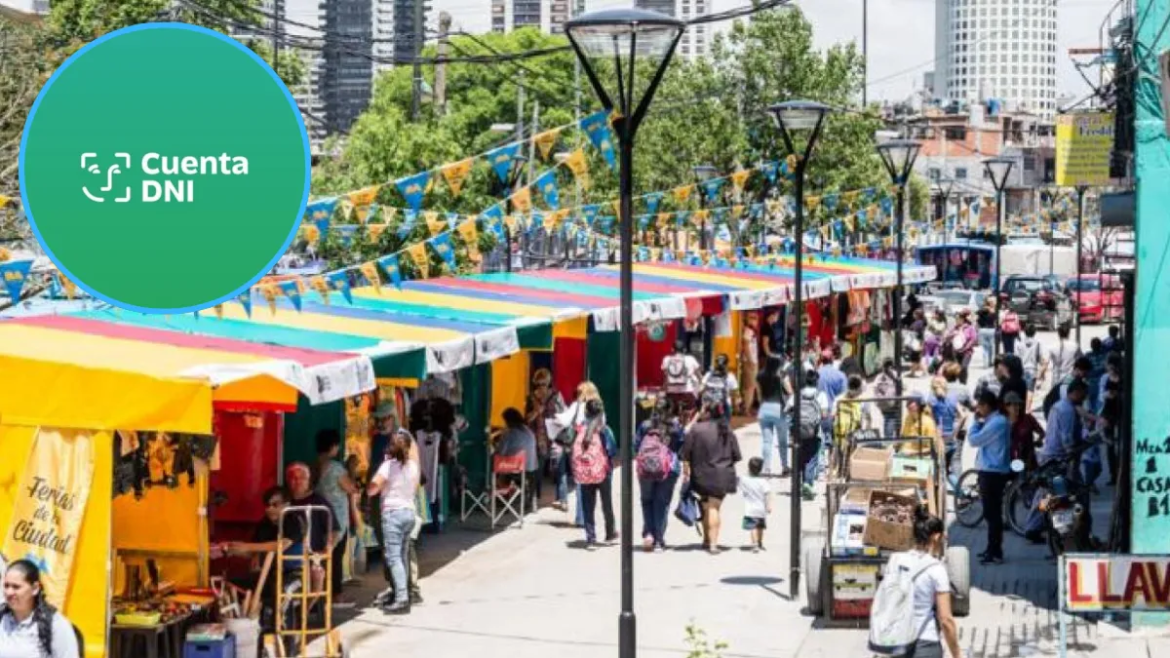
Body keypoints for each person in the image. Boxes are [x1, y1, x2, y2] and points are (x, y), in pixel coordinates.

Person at [875, 509, 962, 658]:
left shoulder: (895, 561)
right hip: (926, 645)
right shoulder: (936, 569)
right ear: (936, 537)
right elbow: (946, 620)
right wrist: (957, 655)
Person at [367, 428, 421, 614]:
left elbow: (373, 489)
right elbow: (415, 486)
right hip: (409, 512)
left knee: (394, 557)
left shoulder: (388, 466)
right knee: (403, 555)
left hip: (393, 514)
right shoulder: (413, 466)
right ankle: (403, 593)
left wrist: (372, 486)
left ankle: (401, 599)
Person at [681, 395, 742, 554]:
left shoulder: (696, 429)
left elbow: (686, 454)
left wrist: (687, 470)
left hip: (701, 476)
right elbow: (736, 456)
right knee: (714, 507)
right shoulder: (726, 430)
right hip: (722, 475)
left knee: (706, 506)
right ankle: (713, 544)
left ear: (706, 412)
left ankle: (707, 540)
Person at [313, 430, 359, 608]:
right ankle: (336, 595)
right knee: (335, 558)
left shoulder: (315, 465)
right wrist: (352, 469)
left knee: (322, 557)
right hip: (337, 519)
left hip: (319, 517)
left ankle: (320, 593)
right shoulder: (335, 468)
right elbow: (351, 488)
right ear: (333, 446)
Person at [0, 560, 80, 658]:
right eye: (6, 586)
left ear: (35, 588)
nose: (9, 592)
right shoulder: (2, 618)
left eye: (16, 587)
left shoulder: (55, 625)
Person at [967, 388, 1011, 565]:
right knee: (990, 513)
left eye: (979, 406)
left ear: (986, 406)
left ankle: (996, 552)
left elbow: (974, 440)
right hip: (990, 471)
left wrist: (975, 422)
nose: (978, 409)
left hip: (993, 472)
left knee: (992, 514)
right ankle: (991, 548)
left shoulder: (997, 422)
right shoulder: (994, 420)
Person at [572, 398, 619, 549]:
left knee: (588, 505)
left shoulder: (580, 429)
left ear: (586, 412)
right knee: (607, 503)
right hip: (603, 472)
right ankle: (610, 533)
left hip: (585, 472)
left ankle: (590, 539)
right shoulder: (605, 430)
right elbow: (612, 450)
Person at [636, 411, 683, 552]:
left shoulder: (645, 425)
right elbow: (681, 446)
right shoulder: (674, 426)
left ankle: (649, 534)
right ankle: (658, 540)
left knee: (647, 501)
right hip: (669, 469)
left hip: (646, 468)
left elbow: (636, 445)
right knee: (661, 503)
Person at [526, 368, 565, 507]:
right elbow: (527, 419)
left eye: (544, 383)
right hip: (539, 438)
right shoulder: (531, 397)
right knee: (537, 469)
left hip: (555, 436)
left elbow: (563, 415)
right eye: (538, 384)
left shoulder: (556, 395)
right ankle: (534, 497)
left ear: (549, 382)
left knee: (559, 468)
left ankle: (562, 499)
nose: (541, 387)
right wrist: (536, 412)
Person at [793, 369, 830, 500]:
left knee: (800, 458)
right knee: (811, 459)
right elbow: (824, 415)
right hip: (814, 432)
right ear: (816, 381)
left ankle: (799, 484)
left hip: (798, 432)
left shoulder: (797, 394)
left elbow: (788, 409)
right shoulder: (821, 395)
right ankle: (807, 484)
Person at [831, 375, 877, 476]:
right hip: (854, 434)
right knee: (850, 457)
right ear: (859, 388)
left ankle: (840, 475)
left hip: (840, 434)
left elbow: (833, 415)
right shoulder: (862, 401)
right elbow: (868, 418)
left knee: (840, 456)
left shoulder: (839, 399)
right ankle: (845, 476)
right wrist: (867, 433)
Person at [757, 354, 793, 477]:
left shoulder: (760, 375)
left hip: (764, 409)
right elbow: (789, 391)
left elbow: (759, 395)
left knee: (767, 441)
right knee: (783, 441)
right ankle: (785, 466)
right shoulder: (781, 375)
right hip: (778, 409)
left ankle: (766, 468)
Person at [497, 407, 539, 511]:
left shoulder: (509, 433)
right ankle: (529, 500)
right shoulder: (529, 431)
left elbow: (500, 453)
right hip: (532, 468)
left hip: (517, 468)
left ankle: (503, 501)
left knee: (500, 470)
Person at [926, 376, 963, 476]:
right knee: (952, 468)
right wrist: (955, 432)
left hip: (939, 438)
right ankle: (959, 485)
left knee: (939, 471)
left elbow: (930, 420)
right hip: (951, 436)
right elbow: (963, 415)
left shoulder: (932, 400)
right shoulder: (953, 398)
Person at [1004, 391, 1043, 473]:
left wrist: (1038, 441)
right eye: (1014, 405)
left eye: (1018, 404)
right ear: (1007, 407)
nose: (1017, 407)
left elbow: (1042, 433)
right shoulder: (1002, 423)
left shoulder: (1028, 419)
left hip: (1030, 461)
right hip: (1011, 462)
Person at [738, 457, 772, 553]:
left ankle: (755, 544)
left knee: (753, 527)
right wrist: (768, 505)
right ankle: (760, 542)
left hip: (750, 509)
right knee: (760, 527)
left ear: (749, 468)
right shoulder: (763, 482)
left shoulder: (745, 480)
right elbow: (767, 494)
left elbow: (740, 485)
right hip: (761, 509)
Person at [662, 341, 702, 417]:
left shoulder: (666, 359)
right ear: (684, 350)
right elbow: (699, 376)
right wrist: (700, 385)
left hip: (671, 393)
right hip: (687, 392)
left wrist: (664, 389)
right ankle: (688, 423)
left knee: (671, 414)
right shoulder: (690, 359)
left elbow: (665, 377)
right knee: (690, 413)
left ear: (672, 349)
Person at [899, 393, 940, 458]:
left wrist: (913, 453)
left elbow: (932, 448)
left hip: (922, 457)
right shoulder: (908, 418)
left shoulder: (928, 422)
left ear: (919, 406)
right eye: (908, 402)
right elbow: (904, 437)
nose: (908, 404)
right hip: (906, 455)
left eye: (911, 402)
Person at [1041, 323, 1081, 389]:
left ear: (1058, 333)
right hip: (1070, 378)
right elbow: (1081, 361)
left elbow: (1045, 363)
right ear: (1069, 333)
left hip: (1057, 378)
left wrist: (1041, 374)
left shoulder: (1052, 346)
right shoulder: (1075, 346)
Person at [1015, 323, 1044, 408]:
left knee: (1021, 390)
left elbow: (1016, 357)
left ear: (1024, 332)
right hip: (1032, 370)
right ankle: (1028, 408)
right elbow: (1040, 358)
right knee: (1030, 390)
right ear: (1034, 332)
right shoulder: (1038, 343)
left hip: (1021, 370)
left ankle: (1022, 407)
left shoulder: (1019, 343)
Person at [740, 312, 762, 415]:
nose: (754, 320)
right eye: (751, 318)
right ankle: (746, 408)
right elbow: (746, 345)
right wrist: (750, 360)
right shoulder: (748, 331)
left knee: (752, 386)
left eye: (755, 318)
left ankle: (747, 408)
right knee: (750, 386)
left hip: (753, 361)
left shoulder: (752, 331)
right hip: (750, 361)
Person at [873, 358, 900, 438]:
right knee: (890, 418)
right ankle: (888, 439)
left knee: (889, 419)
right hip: (890, 403)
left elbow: (875, 389)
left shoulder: (880, 376)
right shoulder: (893, 375)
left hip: (884, 403)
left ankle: (889, 437)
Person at [951, 308, 978, 383]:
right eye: (956, 319)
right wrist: (952, 335)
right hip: (956, 351)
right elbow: (948, 336)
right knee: (957, 367)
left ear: (963, 319)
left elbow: (973, 339)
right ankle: (957, 381)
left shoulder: (970, 328)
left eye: (958, 319)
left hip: (967, 352)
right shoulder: (955, 328)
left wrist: (966, 347)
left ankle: (963, 382)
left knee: (964, 367)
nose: (956, 321)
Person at [976, 297, 998, 367]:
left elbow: (977, 315)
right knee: (991, 347)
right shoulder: (993, 311)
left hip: (982, 330)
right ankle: (990, 362)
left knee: (985, 348)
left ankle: (985, 363)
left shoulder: (982, 310)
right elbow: (996, 321)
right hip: (991, 330)